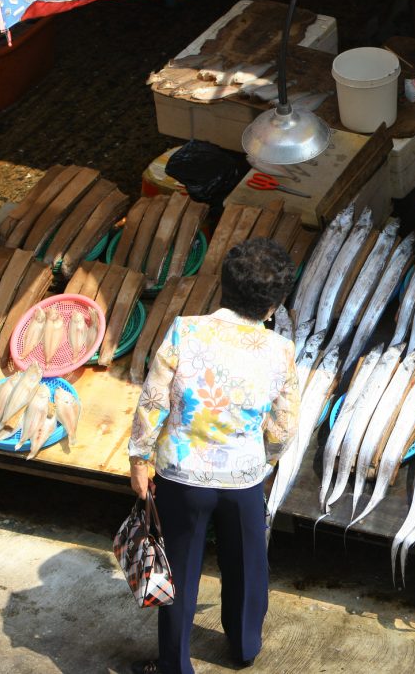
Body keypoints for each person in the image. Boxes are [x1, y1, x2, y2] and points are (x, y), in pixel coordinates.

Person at [127, 237, 301, 674]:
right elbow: (283, 425)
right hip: (242, 479)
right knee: (247, 567)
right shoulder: (280, 351)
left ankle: (174, 665)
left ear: (223, 284)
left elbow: (153, 401)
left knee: (179, 573)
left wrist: (139, 460)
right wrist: (265, 460)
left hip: (181, 477)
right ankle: (243, 648)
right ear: (273, 306)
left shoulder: (186, 330)